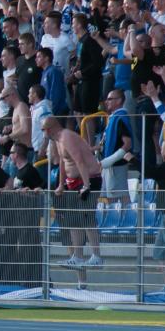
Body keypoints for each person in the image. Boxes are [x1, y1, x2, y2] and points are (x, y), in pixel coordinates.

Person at [43, 116, 103, 281]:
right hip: (72, 182)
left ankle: (96, 255)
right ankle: (77, 255)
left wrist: (86, 185)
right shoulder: (57, 140)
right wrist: (61, 184)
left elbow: (80, 160)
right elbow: (63, 162)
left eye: (44, 129)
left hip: (88, 179)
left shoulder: (67, 136)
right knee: (73, 220)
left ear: (50, 128)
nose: (43, 133)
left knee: (86, 217)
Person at [127, 138, 165, 294]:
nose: (160, 151)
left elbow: (150, 172)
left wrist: (132, 159)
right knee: (160, 250)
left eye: (162, 148)